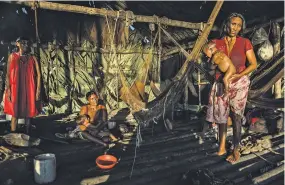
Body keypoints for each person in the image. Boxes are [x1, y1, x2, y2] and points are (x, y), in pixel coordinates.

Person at [204, 13, 257, 163]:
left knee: (236, 116)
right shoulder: (215, 42)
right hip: (221, 83)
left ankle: (235, 149)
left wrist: (239, 75)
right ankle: (221, 147)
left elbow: (253, 64)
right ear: (227, 23)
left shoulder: (245, 42)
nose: (236, 28)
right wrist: (213, 62)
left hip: (239, 83)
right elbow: (209, 67)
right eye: (233, 24)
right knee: (221, 116)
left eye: (239, 25)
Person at [4, 37, 42, 134]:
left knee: (29, 113)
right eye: (23, 43)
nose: (25, 45)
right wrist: (8, 90)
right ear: (17, 44)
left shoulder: (33, 58)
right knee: (15, 113)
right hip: (16, 88)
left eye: (27, 43)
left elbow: (38, 75)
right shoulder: (12, 57)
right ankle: (13, 135)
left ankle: (27, 135)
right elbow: (8, 74)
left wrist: (38, 90)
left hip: (29, 88)